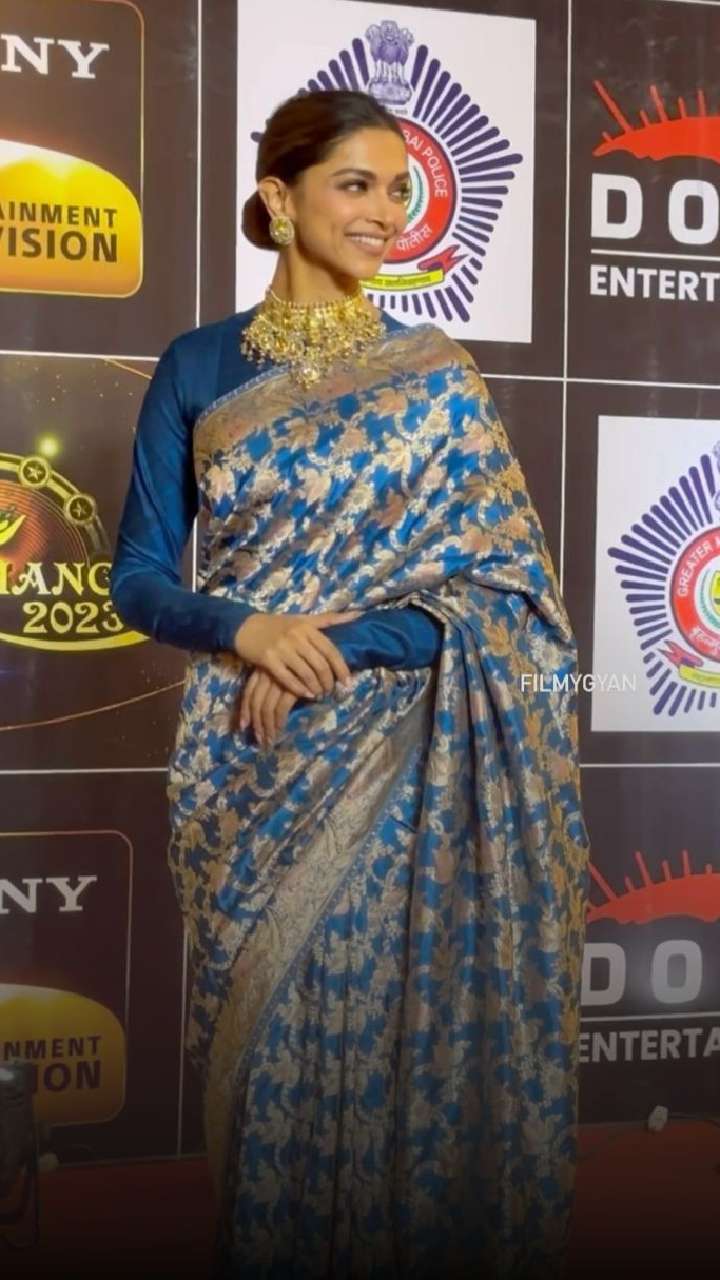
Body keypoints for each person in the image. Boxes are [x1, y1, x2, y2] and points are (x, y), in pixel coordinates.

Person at [110, 88, 589, 1280]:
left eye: (399, 190)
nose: (386, 212)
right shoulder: (198, 365)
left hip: (404, 761)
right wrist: (249, 627)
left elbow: (512, 600)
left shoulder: (434, 375)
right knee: (265, 1058)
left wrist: (342, 645)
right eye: (356, 185)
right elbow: (138, 576)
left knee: (397, 1052)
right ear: (279, 199)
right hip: (250, 756)